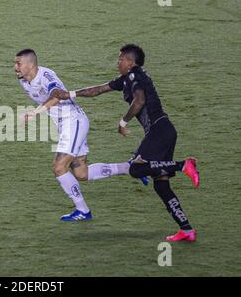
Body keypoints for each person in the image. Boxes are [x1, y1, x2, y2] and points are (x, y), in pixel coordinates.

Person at [49, 44, 200, 242]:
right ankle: (186, 229)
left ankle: (183, 165)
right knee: (161, 186)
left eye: (121, 59)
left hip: (159, 131)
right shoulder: (126, 78)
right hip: (161, 132)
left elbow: (139, 101)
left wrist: (123, 122)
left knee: (136, 170)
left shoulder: (135, 76)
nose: (117, 62)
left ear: (130, 62)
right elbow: (99, 90)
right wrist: (70, 94)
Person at [14, 48, 131, 222]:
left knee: (59, 167)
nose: (15, 67)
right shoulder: (24, 81)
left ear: (31, 65)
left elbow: (57, 96)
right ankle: (132, 168)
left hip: (73, 122)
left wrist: (35, 112)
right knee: (81, 173)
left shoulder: (46, 76)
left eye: (18, 63)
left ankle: (83, 210)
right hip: (65, 125)